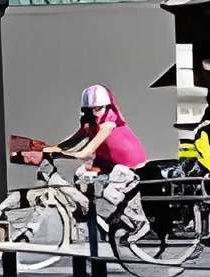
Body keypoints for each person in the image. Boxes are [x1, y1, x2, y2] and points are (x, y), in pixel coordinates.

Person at [21, 83, 147, 240]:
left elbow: (86, 152)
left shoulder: (109, 124)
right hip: (107, 164)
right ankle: (86, 218)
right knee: (81, 176)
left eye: (98, 109)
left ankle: (138, 222)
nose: (94, 113)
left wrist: (61, 154)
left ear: (107, 107)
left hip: (128, 167)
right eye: (90, 110)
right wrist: (47, 149)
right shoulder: (89, 124)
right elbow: (68, 143)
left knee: (110, 189)